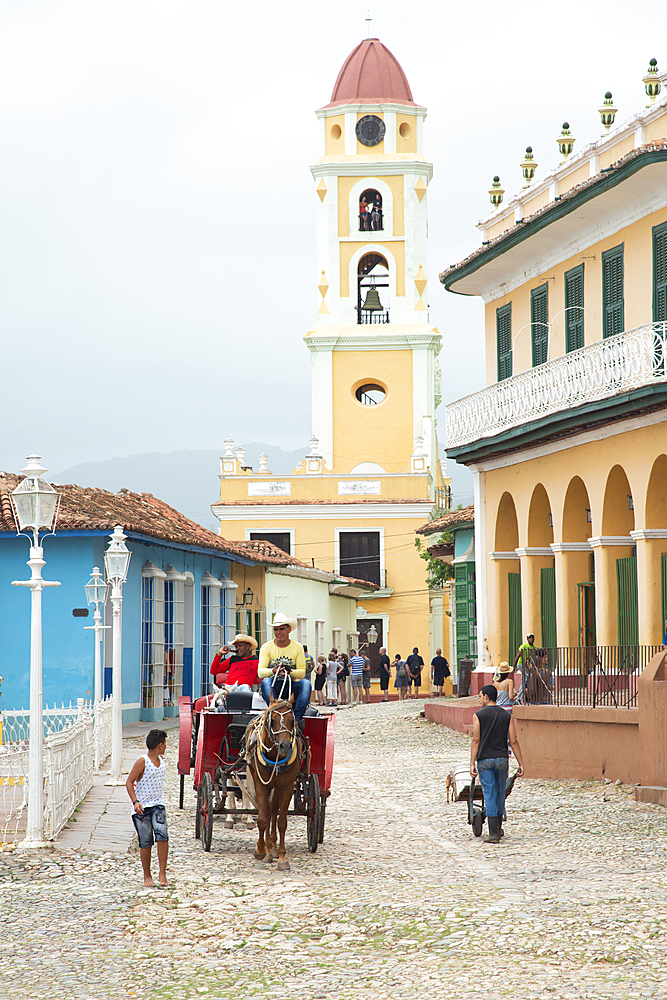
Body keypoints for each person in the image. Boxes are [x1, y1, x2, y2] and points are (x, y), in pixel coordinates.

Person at [470, 686, 525, 844]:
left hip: (485, 760)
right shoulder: (506, 715)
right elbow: (513, 741)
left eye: (480, 696)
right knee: (500, 792)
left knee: (489, 794)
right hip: (502, 759)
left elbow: (476, 740)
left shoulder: (478, 715)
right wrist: (521, 763)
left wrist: (472, 763)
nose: (479, 699)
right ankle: (498, 828)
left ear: (486, 697)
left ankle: (493, 833)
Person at [126, 729, 169, 887]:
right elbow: (129, 782)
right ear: (160, 745)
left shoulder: (161, 760)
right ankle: (147, 875)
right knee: (146, 841)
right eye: (164, 743)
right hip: (142, 808)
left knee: (163, 836)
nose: (166, 746)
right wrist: (135, 801)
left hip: (158, 805)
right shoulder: (142, 761)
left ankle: (162, 873)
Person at [258, 613, 311, 722]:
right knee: (265, 681)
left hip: (291, 685)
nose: (278, 632)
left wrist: (288, 672)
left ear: (289, 629)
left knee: (306, 684)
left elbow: (302, 673)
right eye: (276, 629)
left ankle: (297, 718)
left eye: (281, 629)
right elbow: (260, 672)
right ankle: (274, 710)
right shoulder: (266, 647)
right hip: (273, 685)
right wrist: (273, 671)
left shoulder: (298, 647)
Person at [194, 635, 259, 712]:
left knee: (245, 687)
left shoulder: (257, 661)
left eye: (240, 646)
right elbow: (213, 671)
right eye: (236, 646)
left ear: (247, 646)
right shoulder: (232, 659)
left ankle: (241, 715)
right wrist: (219, 654)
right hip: (228, 688)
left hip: (243, 689)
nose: (237, 648)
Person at [513, 633, 537, 705]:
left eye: (532, 638)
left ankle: (527, 697)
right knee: (525, 679)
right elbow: (518, 656)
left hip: (528, 665)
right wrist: (513, 667)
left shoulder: (534, 648)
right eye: (529, 638)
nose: (531, 639)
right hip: (521, 664)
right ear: (527, 639)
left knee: (529, 680)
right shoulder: (523, 646)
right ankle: (519, 698)